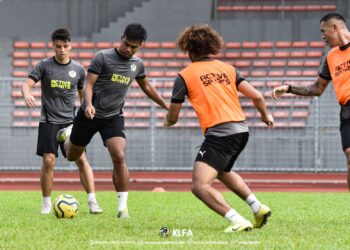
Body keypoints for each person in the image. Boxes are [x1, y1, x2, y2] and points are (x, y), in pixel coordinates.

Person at [164, 24, 275, 232]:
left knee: (199, 186)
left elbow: (173, 116)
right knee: (223, 171)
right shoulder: (228, 69)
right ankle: (257, 207)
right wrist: (265, 115)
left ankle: (237, 220)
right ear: (211, 46)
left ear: (189, 49)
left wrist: (167, 121)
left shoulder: (185, 75)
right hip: (241, 130)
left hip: (220, 133)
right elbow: (257, 96)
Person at [57, 23, 169, 218]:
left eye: (133, 46)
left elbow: (147, 88)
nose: (128, 49)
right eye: (126, 44)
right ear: (121, 37)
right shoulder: (103, 57)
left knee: (118, 156)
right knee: (72, 156)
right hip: (88, 115)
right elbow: (89, 85)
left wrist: (167, 106)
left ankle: (122, 208)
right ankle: (67, 137)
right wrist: (89, 104)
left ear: (141, 45)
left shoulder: (138, 64)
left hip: (113, 117)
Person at [22, 28, 102, 214]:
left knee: (81, 159)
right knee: (49, 160)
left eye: (65, 46)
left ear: (71, 46)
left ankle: (93, 202)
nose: (62, 50)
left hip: (70, 123)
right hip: (49, 121)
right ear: (53, 46)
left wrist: (87, 110)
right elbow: (27, 84)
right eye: (58, 47)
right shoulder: (44, 65)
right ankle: (46, 204)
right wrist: (27, 94)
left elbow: (84, 98)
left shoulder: (78, 70)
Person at [272, 13, 350, 190]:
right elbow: (317, 88)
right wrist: (289, 88)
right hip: (347, 110)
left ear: (335, 28)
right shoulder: (331, 57)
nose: (322, 36)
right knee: (349, 155)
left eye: (324, 31)